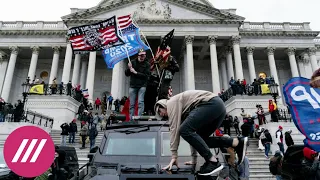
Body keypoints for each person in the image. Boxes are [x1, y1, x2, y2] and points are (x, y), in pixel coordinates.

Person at [154, 90, 248, 176]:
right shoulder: (182, 110)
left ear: (162, 105)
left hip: (211, 104)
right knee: (200, 139)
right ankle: (236, 142)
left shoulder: (171, 103)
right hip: (218, 107)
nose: (161, 115)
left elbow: (174, 130)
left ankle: (213, 162)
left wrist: (174, 156)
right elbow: (193, 137)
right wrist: (194, 160)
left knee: (183, 130)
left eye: (159, 111)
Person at [125, 49, 151, 120]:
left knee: (140, 102)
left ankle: (139, 118)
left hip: (142, 85)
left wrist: (136, 72)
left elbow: (147, 76)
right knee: (132, 104)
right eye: (141, 55)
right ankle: (131, 119)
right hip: (133, 85)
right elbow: (127, 74)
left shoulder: (147, 64)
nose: (143, 57)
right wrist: (129, 68)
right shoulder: (132, 62)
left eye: (144, 55)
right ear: (138, 55)